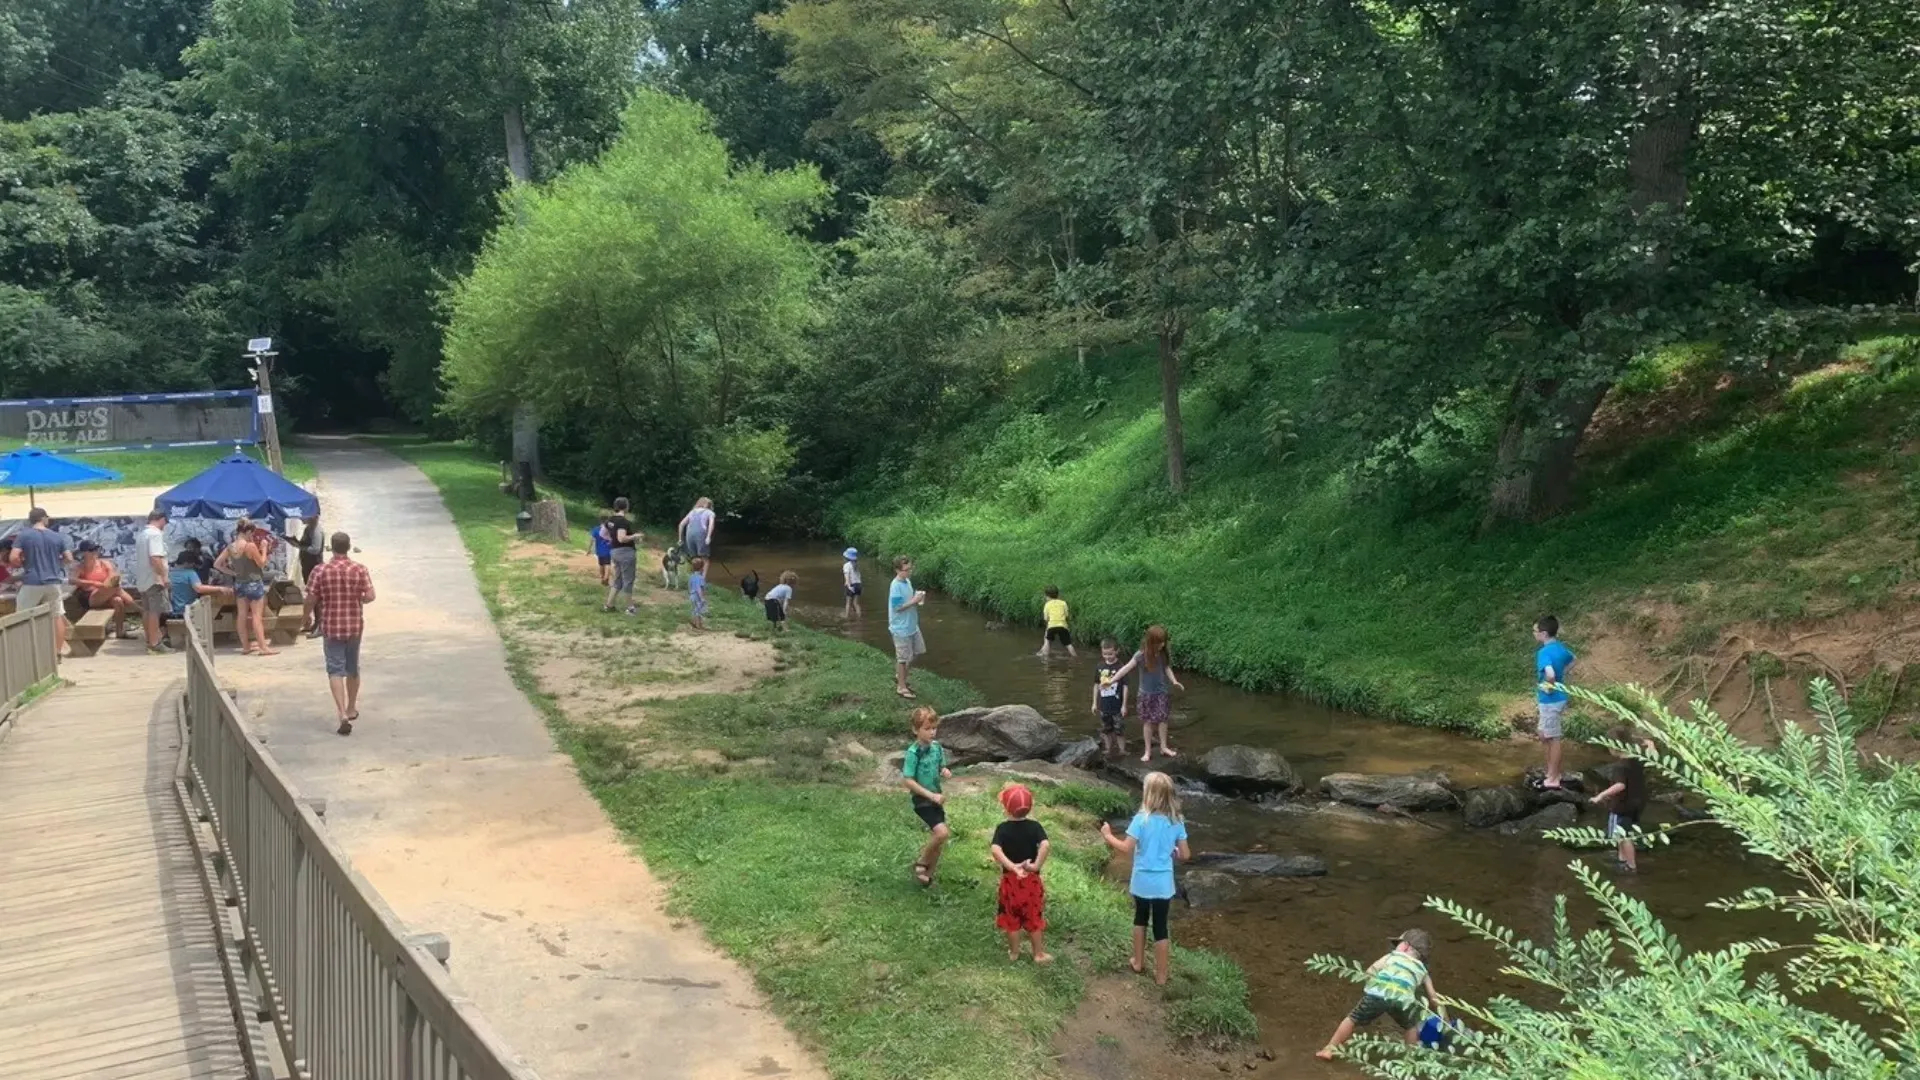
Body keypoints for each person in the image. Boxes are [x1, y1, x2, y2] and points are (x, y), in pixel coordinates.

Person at [1100, 772, 1189, 985]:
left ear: (1148, 795)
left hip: (1141, 881)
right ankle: (1161, 975)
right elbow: (1185, 855)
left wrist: (1108, 835)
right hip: (1163, 884)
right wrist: (1174, 850)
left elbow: (1125, 847)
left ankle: (1138, 962)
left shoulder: (1141, 820)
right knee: (1161, 927)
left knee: (1140, 919)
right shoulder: (1176, 822)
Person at [1316, 930, 1442, 1060]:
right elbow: (1433, 996)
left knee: (1352, 1018)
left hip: (1378, 995)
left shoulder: (1391, 957)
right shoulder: (1423, 970)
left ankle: (1329, 1049)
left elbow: (1370, 971)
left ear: (1405, 946)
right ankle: (1409, 1062)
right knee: (1411, 1027)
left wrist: (1372, 984)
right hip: (1403, 1001)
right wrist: (1444, 1018)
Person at [304, 531, 375, 736]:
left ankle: (341, 713)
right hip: (354, 626)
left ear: (331, 548)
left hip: (331, 626)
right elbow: (370, 595)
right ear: (349, 546)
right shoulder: (359, 569)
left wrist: (305, 617)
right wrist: (357, 600)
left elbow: (311, 598)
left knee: (335, 670)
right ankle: (352, 707)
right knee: (353, 668)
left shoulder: (320, 570)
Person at [991, 783, 1053, 963]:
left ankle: (1014, 953)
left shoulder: (1002, 828)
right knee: (1034, 917)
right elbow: (1046, 845)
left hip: (1010, 881)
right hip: (1031, 880)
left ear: (1006, 808)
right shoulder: (1035, 827)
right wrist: (1035, 865)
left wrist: (1011, 866)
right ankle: (1038, 954)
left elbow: (995, 850)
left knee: (1011, 919)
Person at [1109, 625, 1186, 761]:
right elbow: (1126, 668)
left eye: (1163, 642)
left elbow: (1167, 667)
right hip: (1146, 694)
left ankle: (1163, 746)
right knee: (1148, 722)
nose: (1162, 645)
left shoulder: (1162, 654)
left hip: (1162, 692)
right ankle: (1147, 751)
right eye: (1159, 642)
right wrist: (1111, 680)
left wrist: (1174, 681)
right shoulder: (1140, 655)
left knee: (1163, 720)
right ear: (1151, 641)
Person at [9, 508, 73, 656]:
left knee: (21, 616)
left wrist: (22, 564)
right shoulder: (57, 537)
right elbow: (69, 558)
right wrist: (57, 565)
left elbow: (13, 558)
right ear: (44, 519)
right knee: (56, 616)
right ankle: (57, 652)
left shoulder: (24, 535)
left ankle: (23, 651)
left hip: (32, 581)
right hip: (53, 582)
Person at [901, 706, 952, 887]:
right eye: (927, 729)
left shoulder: (937, 748)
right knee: (942, 833)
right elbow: (908, 780)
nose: (932, 732)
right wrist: (930, 795)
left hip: (936, 799)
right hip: (923, 800)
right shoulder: (913, 753)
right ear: (916, 730)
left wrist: (944, 770)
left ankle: (927, 877)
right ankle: (921, 862)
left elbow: (940, 766)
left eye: (934, 728)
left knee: (938, 839)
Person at [1590, 725, 1651, 873]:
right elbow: (1652, 756)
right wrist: (1650, 744)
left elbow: (1620, 785)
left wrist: (1601, 795)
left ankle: (1630, 865)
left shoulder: (1620, 767)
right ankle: (1622, 859)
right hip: (1638, 803)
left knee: (1624, 836)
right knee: (1624, 832)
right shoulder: (1638, 758)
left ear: (1614, 747)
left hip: (1623, 805)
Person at [215, 519, 276, 656]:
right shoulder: (250, 546)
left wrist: (233, 573)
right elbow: (261, 563)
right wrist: (264, 549)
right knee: (256, 616)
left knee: (241, 615)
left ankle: (245, 646)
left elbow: (217, 564)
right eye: (252, 533)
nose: (252, 536)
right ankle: (263, 648)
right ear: (248, 531)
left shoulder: (230, 547)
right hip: (254, 582)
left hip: (240, 583)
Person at [1532, 615, 1576, 789]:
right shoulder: (1559, 648)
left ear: (1543, 633)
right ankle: (1551, 772)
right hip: (1556, 699)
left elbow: (1550, 674)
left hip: (1551, 700)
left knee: (1552, 738)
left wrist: (1550, 686)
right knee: (1544, 734)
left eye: (1534, 631)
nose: (1533, 634)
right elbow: (1573, 659)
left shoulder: (1544, 652)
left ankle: (1553, 778)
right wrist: (1561, 675)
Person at [72, 541, 138, 641]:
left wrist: (105, 585)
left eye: (96, 549)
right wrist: (93, 583)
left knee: (118, 600)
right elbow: (72, 580)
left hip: (106, 593)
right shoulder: (80, 567)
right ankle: (139, 609)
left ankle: (120, 631)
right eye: (91, 550)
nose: (95, 552)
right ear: (84, 553)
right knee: (115, 588)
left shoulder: (104, 563)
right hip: (90, 597)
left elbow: (113, 576)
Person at [888, 555, 928, 699]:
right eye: (906, 570)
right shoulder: (896, 586)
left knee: (918, 651)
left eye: (910, 569)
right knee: (903, 658)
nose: (909, 572)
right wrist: (914, 600)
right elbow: (898, 607)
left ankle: (900, 675)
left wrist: (918, 597)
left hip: (912, 625)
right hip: (901, 628)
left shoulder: (907, 582)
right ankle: (901, 687)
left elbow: (909, 601)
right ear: (897, 570)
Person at [132, 508, 171, 653]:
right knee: (155, 611)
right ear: (161, 519)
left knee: (147, 611)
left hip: (143, 579)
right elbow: (155, 558)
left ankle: (149, 639)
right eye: (165, 522)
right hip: (154, 579)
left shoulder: (142, 534)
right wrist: (164, 577)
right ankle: (155, 643)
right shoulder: (155, 535)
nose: (165, 525)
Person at [602, 497, 641, 615]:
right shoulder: (623, 521)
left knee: (618, 579)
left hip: (614, 552)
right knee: (628, 580)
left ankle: (609, 605)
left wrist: (611, 540)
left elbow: (602, 534)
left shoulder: (610, 520)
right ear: (626, 507)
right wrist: (635, 536)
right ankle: (630, 608)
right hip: (626, 553)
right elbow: (622, 538)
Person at [1093, 638, 1129, 757]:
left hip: (1117, 705)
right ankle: (1108, 749)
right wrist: (1094, 703)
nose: (1107, 656)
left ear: (1117, 651)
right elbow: (1096, 685)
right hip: (1104, 705)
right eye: (1105, 654)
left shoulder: (1121, 667)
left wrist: (1124, 705)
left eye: (1110, 653)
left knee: (1119, 729)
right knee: (1106, 729)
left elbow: (1125, 686)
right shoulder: (1100, 666)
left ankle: (1122, 750)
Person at [169, 551, 232, 620]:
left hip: (175, 611)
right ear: (186, 563)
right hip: (191, 611)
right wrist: (220, 588)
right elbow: (199, 588)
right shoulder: (190, 573)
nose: (194, 566)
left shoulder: (170, 573)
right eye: (193, 564)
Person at [297, 516, 325, 637]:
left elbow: (316, 549)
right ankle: (315, 623)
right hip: (308, 566)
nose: (300, 518)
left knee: (316, 596)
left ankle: (320, 625)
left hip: (314, 566)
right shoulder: (309, 529)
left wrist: (300, 547)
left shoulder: (316, 530)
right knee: (312, 595)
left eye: (303, 516)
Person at [1037, 585, 1076, 657]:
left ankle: (1045, 657)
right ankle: (1075, 656)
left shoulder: (1047, 605)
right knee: (1068, 644)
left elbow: (1046, 619)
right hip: (1062, 626)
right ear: (1058, 594)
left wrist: (1047, 628)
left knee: (1047, 641)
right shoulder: (1063, 603)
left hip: (1051, 625)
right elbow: (1066, 615)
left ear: (1047, 596)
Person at [590, 511, 613, 588]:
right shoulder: (611, 530)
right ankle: (606, 578)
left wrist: (589, 549)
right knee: (608, 564)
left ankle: (603, 577)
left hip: (599, 551)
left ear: (600, 520)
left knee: (601, 565)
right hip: (608, 550)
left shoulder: (596, 529)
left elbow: (592, 540)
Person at [688, 556, 709, 631]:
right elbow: (699, 588)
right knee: (698, 611)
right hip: (698, 596)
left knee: (694, 610)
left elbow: (690, 586)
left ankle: (696, 623)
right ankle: (698, 625)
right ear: (701, 568)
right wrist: (702, 598)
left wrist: (690, 594)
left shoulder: (692, 576)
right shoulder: (700, 578)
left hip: (692, 595)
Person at [842, 547, 862, 618]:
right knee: (856, 603)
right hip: (859, 585)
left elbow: (847, 576)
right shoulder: (856, 564)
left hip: (851, 585)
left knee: (848, 603)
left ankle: (846, 617)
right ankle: (859, 617)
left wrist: (848, 584)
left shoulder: (846, 565)